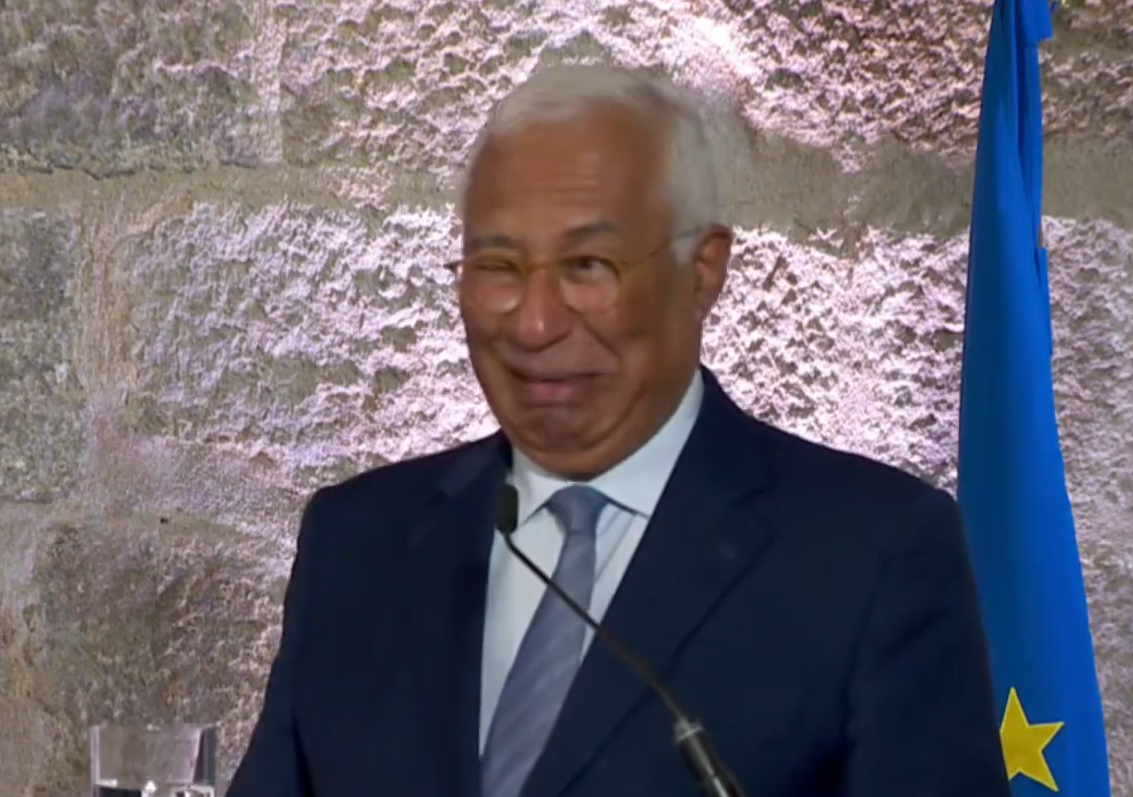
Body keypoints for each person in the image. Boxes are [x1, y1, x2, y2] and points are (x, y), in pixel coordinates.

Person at [227, 64, 1011, 797]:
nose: (534, 324)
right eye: (497, 267)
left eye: (587, 266)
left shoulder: (870, 553)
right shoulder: (357, 540)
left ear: (701, 270)